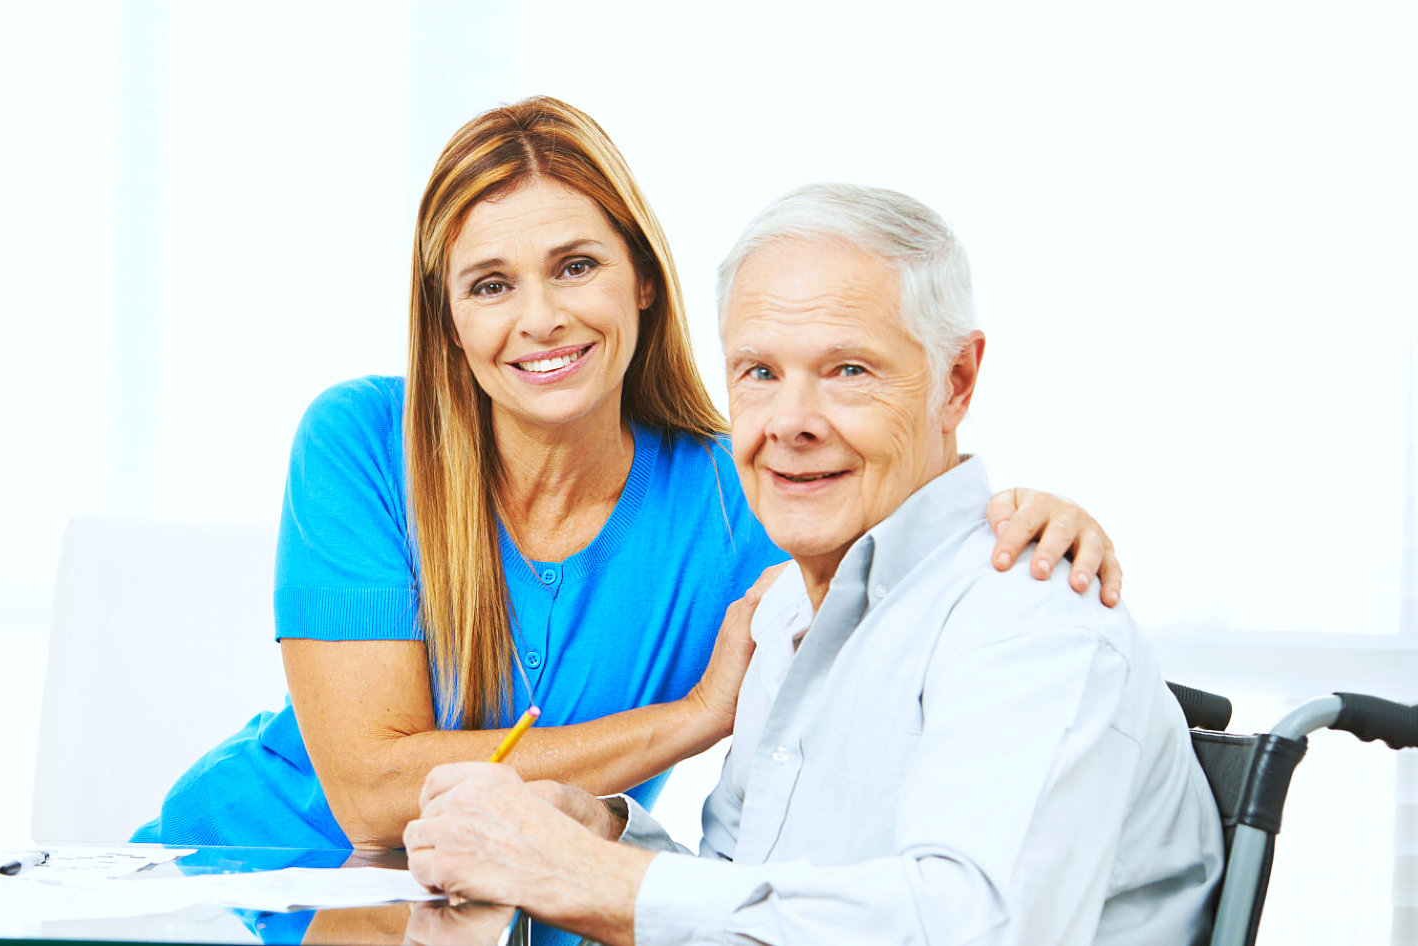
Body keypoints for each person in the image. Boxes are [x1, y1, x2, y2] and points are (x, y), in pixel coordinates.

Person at [133, 98, 1122, 859]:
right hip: (248, 876)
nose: (541, 319)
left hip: (518, 911)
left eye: (574, 266)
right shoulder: (359, 441)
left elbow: (898, 549)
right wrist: (693, 717)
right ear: (449, 319)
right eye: (490, 285)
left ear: (641, 277)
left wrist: (1022, 516)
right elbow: (374, 798)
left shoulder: (738, 499)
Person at [404, 183, 1224, 946]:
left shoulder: (1031, 612)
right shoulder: (790, 609)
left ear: (957, 381)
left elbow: (970, 925)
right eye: (759, 373)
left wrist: (603, 880)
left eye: (848, 372)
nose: (791, 421)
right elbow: (746, 890)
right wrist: (605, 833)